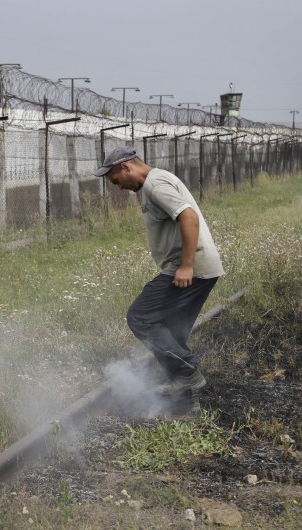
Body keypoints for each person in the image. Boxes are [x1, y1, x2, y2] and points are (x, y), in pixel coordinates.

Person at [94, 146, 224, 396]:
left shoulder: (155, 185)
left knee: (141, 316)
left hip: (191, 269)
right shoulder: (155, 181)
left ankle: (187, 374)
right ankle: (182, 383)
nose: (118, 187)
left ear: (126, 167)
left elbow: (189, 217)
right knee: (172, 327)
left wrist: (186, 266)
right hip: (198, 267)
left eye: (116, 181)